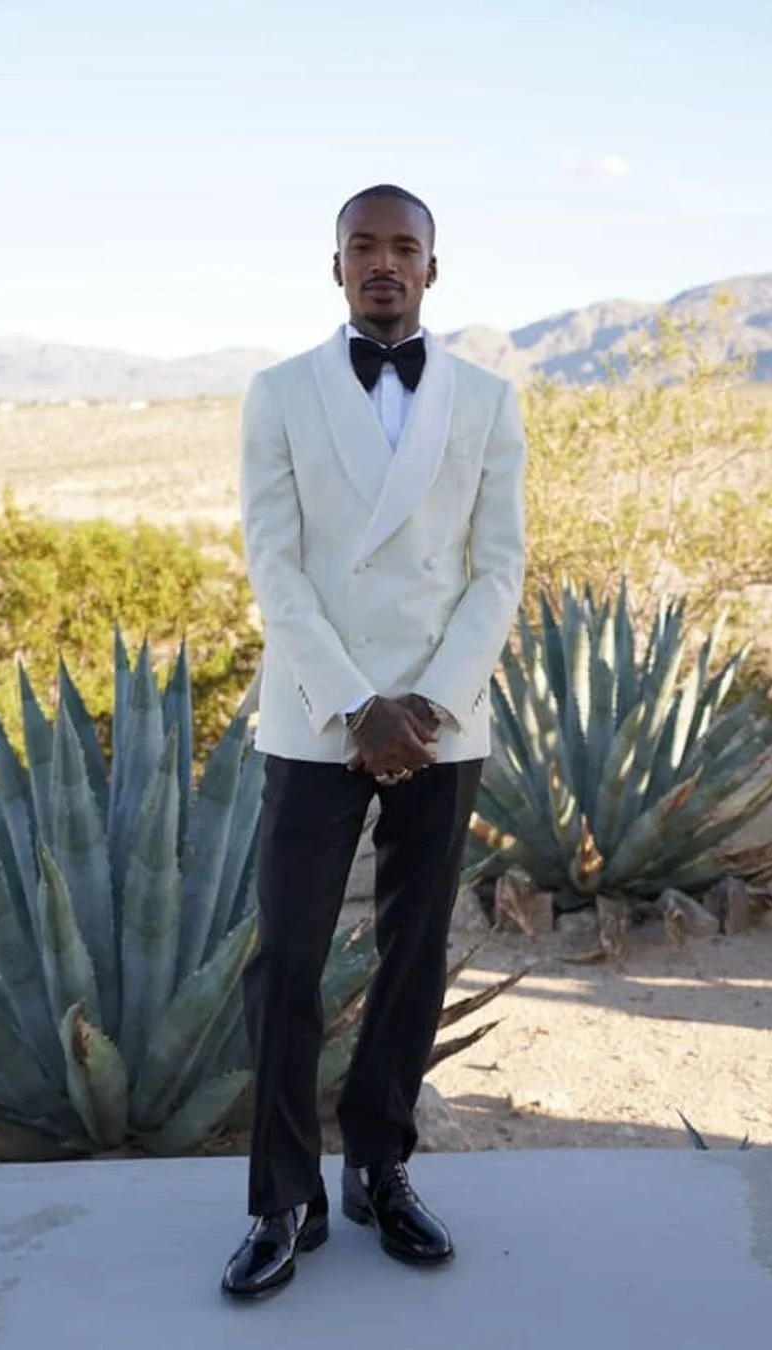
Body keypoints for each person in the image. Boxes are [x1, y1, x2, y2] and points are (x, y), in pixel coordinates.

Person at [222, 183, 527, 1299]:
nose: (385, 263)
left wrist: (431, 702)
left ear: (434, 270)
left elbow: (499, 567)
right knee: (289, 959)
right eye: (365, 246)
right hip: (318, 714)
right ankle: (281, 1201)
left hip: (442, 722)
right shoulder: (280, 392)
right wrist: (358, 704)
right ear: (336, 264)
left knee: (413, 954)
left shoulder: (490, 400)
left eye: (406, 247)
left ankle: (383, 1170)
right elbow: (276, 565)